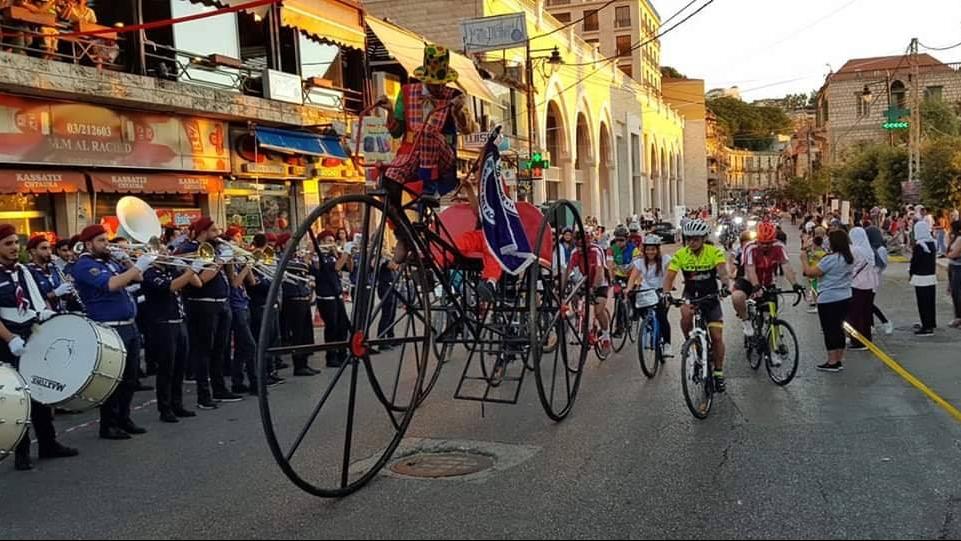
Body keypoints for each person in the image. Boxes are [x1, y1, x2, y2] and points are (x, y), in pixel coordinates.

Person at [0, 224, 78, 470]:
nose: (14, 248)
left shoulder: (22, 270)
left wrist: (43, 315)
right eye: (8, 244)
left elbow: (35, 300)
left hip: (30, 334)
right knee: (18, 396)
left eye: (15, 243)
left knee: (40, 389)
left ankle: (48, 443)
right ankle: (21, 451)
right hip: (6, 341)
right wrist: (10, 338)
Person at [71, 224, 154, 439]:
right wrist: (139, 266)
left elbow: (139, 279)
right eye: (101, 241)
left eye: (106, 240)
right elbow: (111, 285)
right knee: (113, 380)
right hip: (109, 327)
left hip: (128, 324)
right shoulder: (84, 265)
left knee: (130, 377)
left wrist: (128, 260)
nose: (106, 244)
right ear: (88, 244)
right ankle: (108, 424)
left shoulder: (109, 262)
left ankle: (124, 418)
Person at [176, 217, 242, 409]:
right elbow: (202, 279)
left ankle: (219, 388)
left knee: (220, 350)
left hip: (222, 303)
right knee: (204, 351)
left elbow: (231, 278)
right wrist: (221, 260)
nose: (218, 235)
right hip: (202, 305)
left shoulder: (215, 248)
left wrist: (232, 260)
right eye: (214, 231)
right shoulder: (188, 250)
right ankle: (203, 395)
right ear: (203, 232)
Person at [663, 219, 732, 392]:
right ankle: (691, 343)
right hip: (691, 295)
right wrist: (666, 293)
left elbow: (723, 271)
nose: (692, 242)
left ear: (703, 238)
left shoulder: (714, 252)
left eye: (696, 239)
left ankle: (718, 372)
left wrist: (725, 286)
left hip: (711, 297)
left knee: (716, 336)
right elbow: (669, 276)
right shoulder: (681, 254)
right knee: (685, 314)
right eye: (689, 239)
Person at [141, 251, 202, 422]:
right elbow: (170, 287)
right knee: (167, 368)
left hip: (179, 321)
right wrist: (192, 270)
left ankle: (177, 404)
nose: (167, 254)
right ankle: (165, 408)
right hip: (163, 324)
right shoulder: (150, 273)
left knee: (180, 367)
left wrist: (187, 267)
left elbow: (197, 283)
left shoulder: (172, 270)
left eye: (168, 251)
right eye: (163, 252)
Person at [731, 222, 804, 339]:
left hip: (768, 281)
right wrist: (756, 286)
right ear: (757, 239)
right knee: (737, 297)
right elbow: (750, 269)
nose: (765, 246)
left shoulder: (779, 247)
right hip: (748, 281)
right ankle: (746, 321)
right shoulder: (750, 248)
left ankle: (773, 350)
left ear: (774, 240)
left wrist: (795, 284)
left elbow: (786, 266)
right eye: (762, 243)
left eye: (768, 243)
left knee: (770, 318)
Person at [800, 230, 853, 372]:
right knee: (839, 328)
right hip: (845, 296)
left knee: (829, 330)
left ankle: (832, 361)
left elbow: (811, 273)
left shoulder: (830, 259)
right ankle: (839, 358)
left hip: (828, 298)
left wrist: (804, 260)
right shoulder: (848, 258)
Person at [626, 234, 673, 357]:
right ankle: (646, 326)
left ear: (657, 250)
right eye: (648, 249)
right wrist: (628, 288)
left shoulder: (665, 259)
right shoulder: (640, 262)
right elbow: (633, 277)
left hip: (661, 290)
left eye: (653, 249)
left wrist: (667, 290)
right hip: (646, 291)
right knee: (636, 301)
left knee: (662, 317)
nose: (650, 252)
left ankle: (667, 344)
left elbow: (669, 276)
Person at [566, 232, 612, 354]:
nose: (580, 249)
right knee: (575, 297)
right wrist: (560, 287)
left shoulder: (596, 251)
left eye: (582, 247)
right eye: (578, 246)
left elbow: (599, 272)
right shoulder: (574, 253)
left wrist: (594, 288)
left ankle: (606, 338)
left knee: (598, 311)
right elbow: (568, 270)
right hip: (585, 281)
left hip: (600, 282)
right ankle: (581, 323)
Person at [312, 231, 350, 367]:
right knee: (332, 327)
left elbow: (347, 268)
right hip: (326, 296)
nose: (332, 243)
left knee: (343, 326)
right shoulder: (318, 256)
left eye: (333, 240)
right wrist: (346, 252)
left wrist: (344, 255)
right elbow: (335, 267)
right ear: (322, 242)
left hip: (337, 294)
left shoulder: (333, 255)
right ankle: (331, 357)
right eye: (329, 240)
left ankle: (342, 353)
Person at [847, 227, 880, 350]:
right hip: (869, 285)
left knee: (855, 314)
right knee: (865, 313)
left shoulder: (855, 250)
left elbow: (850, 266)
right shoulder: (868, 250)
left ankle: (857, 341)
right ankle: (867, 338)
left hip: (857, 284)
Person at [25, 235, 76, 314]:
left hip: (60, 312)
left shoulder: (53, 268)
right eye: (44, 248)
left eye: (49, 248)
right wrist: (55, 293)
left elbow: (61, 292)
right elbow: (34, 298)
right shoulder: (28, 271)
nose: (49, 252)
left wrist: (68, 290)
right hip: (43, 315)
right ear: (33, 251)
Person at [910, 221, 938, 336]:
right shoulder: (932, 243)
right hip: (931, 276)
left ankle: (926, 327)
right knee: (930, 302)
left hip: (921, 278)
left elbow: (915, 263)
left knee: (923, 303)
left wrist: (911, 273)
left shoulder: (920, 246)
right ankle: (930, 323)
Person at [866, 226, 893, 335]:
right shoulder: (869, 247)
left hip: (874, 278)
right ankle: (871, 325)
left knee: (868, 303)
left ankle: (885, 322)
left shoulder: (881, 249)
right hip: (867, 278)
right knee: (867, 303)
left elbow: (882, 264)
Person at [947, 220, 961, 329]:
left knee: (958, 293)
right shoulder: (953, 238)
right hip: (952, 266)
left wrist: (948, 254)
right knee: (954, 292)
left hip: (958, 267)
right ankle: (957, 316)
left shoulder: (960, 239)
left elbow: (954, 253)